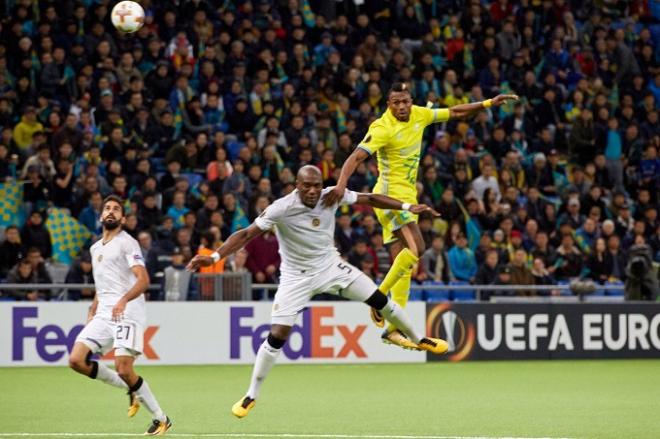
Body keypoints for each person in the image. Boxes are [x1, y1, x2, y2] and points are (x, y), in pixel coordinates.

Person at [187, 166, 449, 418]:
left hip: (331, 267)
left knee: (380, 299)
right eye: (307, 186)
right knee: (277, 335)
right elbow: (245, 234)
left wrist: (405, 207)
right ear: (297, 186)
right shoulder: (281, 208)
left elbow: (370, 199)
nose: (313, 191)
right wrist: (214, 257)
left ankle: (418, 338)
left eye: (317, 185)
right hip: (295, 278)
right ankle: (250, 395)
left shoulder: (331, 196)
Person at [323, 82, 518, 346]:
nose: (402, 106)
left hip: (408, 196)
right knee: (418, 247)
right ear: (388, 104)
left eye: (405, 101)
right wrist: (341, 184)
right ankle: (378, 298)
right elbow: (355, 157)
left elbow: (455, 112)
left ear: (410, 100)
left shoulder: (419, 114)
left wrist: (486, 103)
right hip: (390, 197)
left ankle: (393, 328)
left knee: (404, 267)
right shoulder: (381, 127)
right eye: (396, 102)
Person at [67, 195, 172, 436]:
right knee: (76, 360)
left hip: (128, 311)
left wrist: (123, 300)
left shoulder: (128, 243)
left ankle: (161, 418)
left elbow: (143, 280)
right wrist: (93, 309)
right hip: (104, 313)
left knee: (124, 369)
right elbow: (103, 284)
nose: (111, 212)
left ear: (123, 219)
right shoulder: (95, 248)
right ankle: (131, 390)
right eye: (107, 208)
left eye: (116, 209)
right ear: (101, 216)